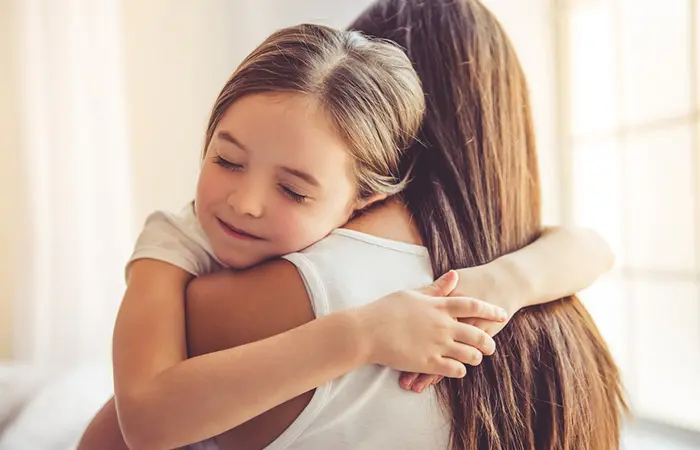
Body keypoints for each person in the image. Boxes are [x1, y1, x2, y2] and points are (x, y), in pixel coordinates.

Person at [78, 4, 618, 450]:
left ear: (366, 196)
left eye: (293, 189)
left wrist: (500, 285)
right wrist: (361, 334)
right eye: (226, 160)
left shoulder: (480, 270)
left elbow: (594, 246)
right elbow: (136, 423)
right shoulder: (175, 242)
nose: (244, 203)